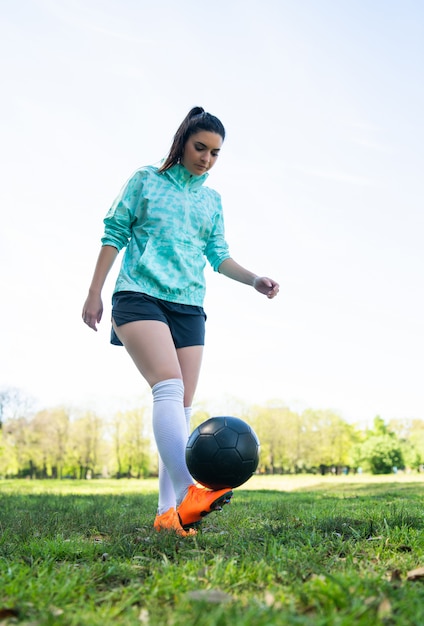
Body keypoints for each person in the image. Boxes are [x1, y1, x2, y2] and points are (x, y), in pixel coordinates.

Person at [82, 107, 279, 537]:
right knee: (167, 386)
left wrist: (254, 280)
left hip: (189, 305)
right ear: (182, 142)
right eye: (200, 147)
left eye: (215, 152)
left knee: (181, 410)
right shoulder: (145, 180)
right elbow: (114, 232)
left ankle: (166, 514)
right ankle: (191, 490)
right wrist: (95, 291)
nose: (206, 158)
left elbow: (218, 255)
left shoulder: (212, 200)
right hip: (139, 294)